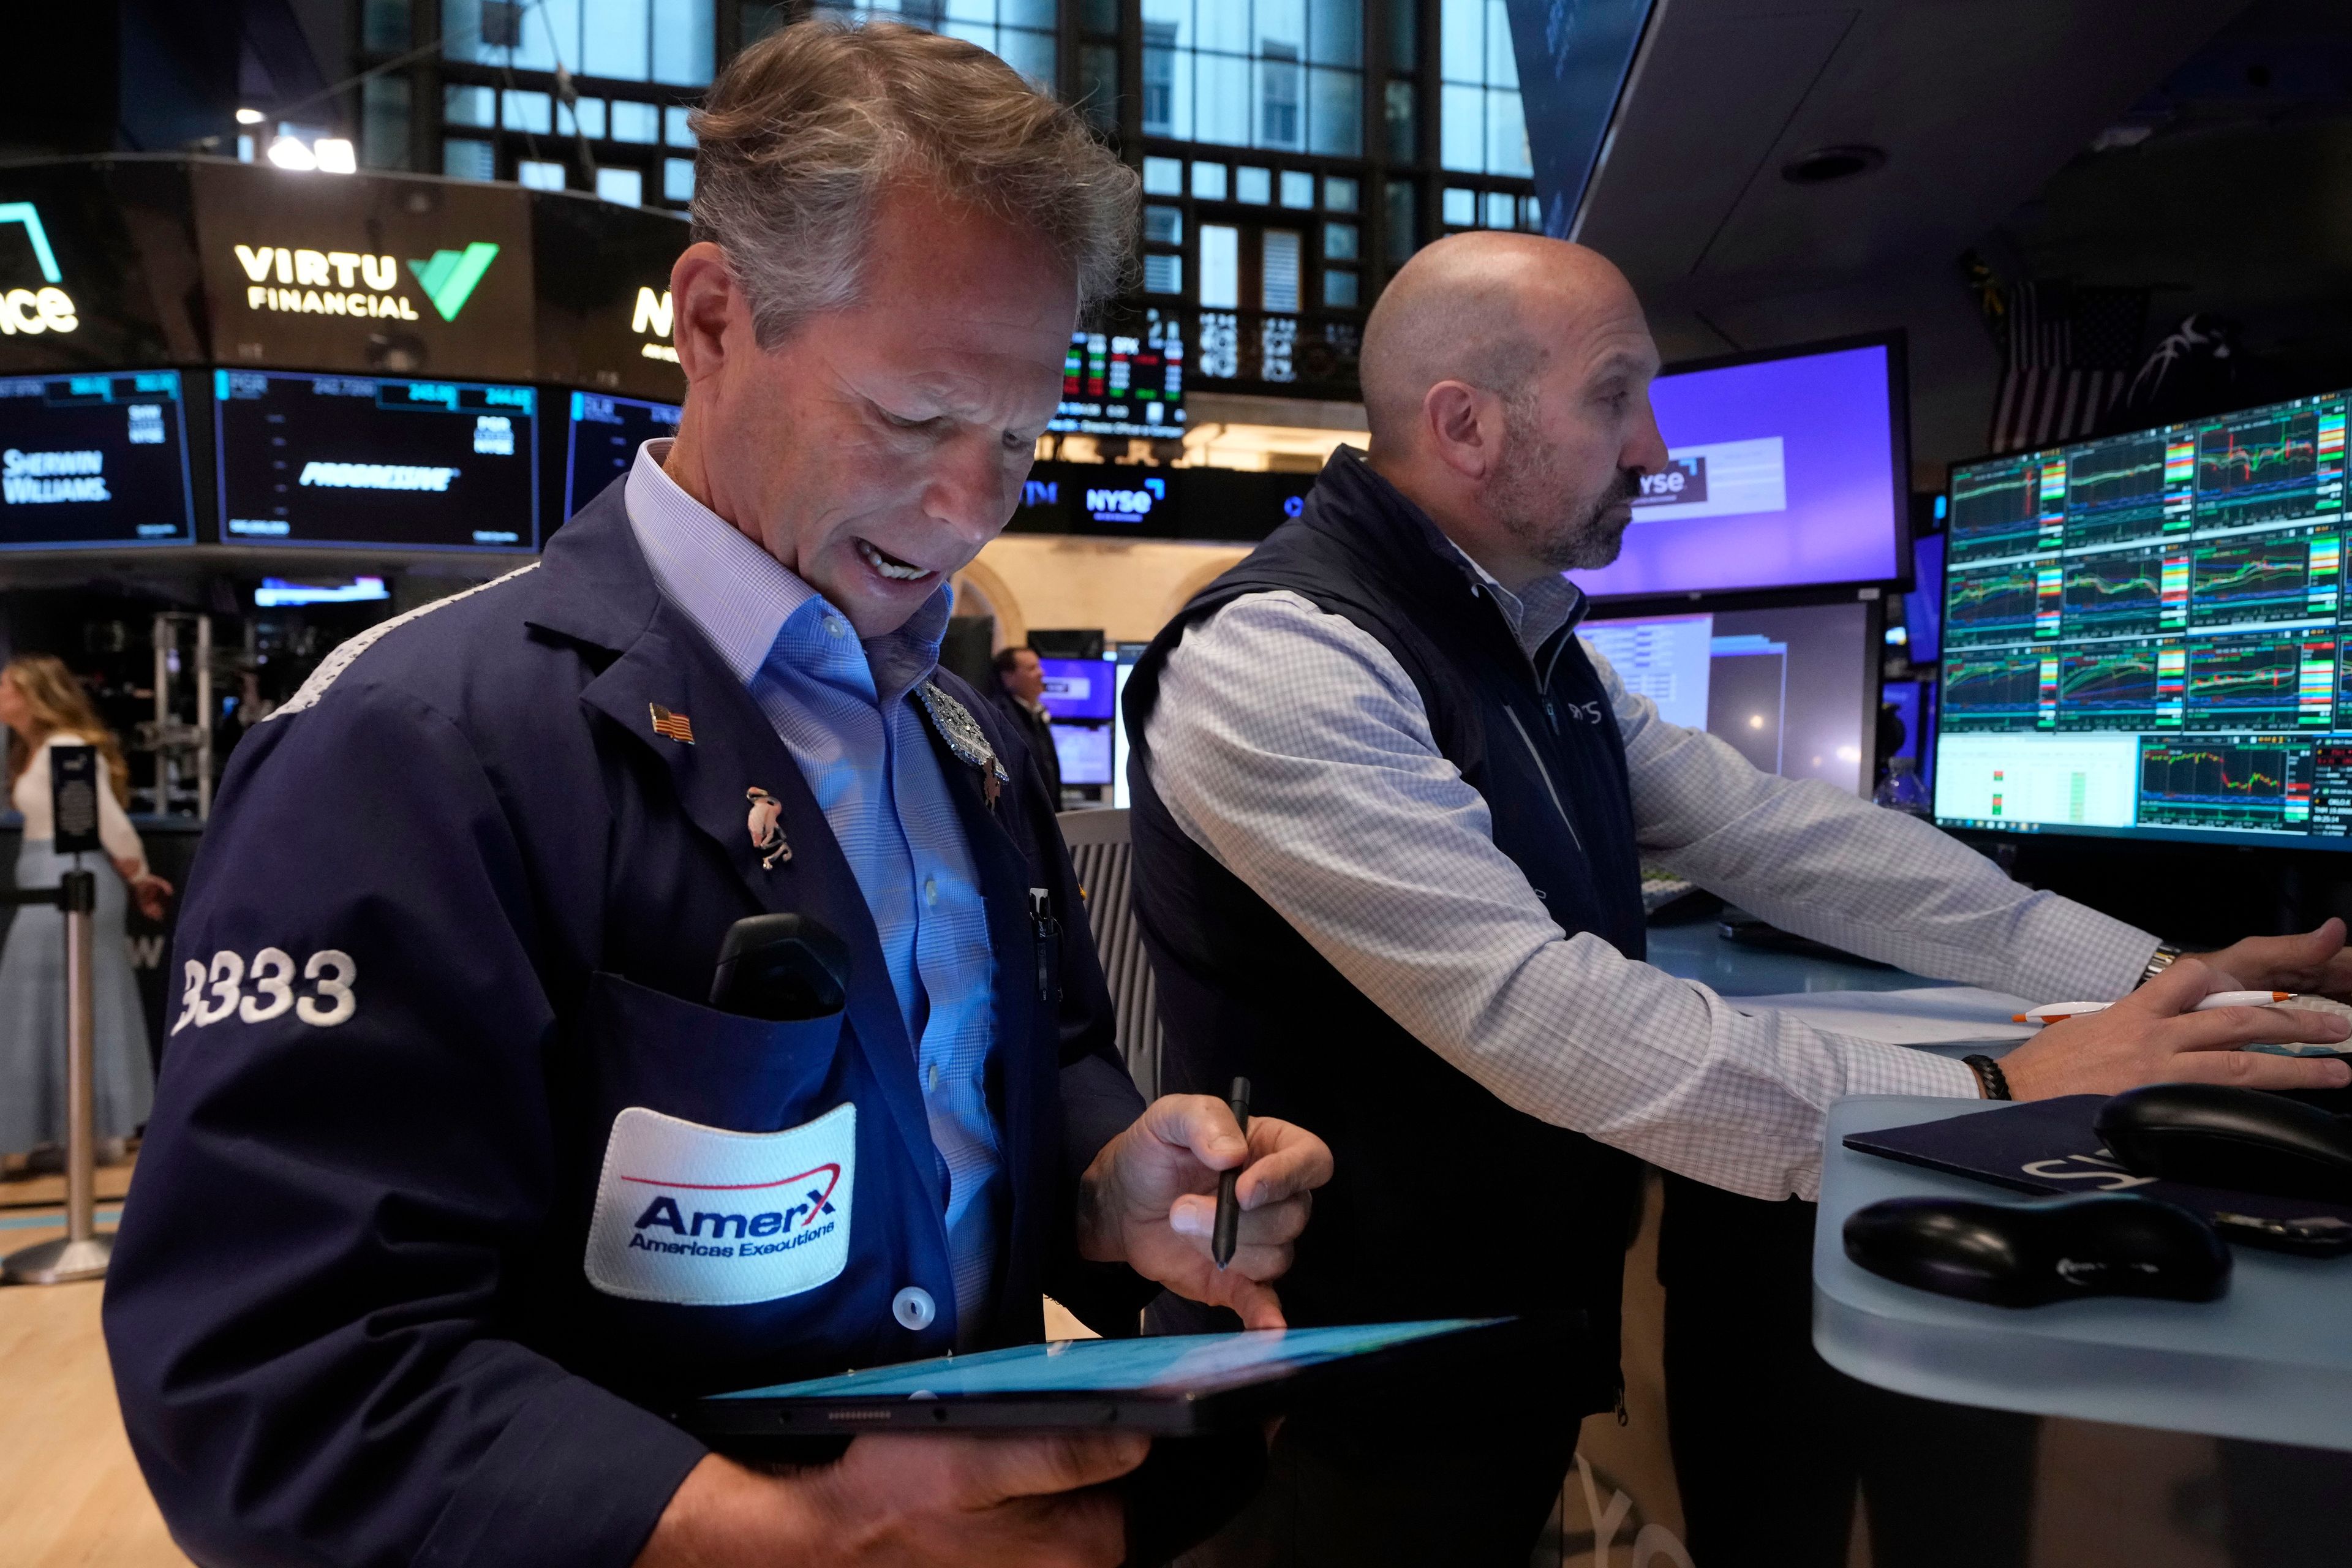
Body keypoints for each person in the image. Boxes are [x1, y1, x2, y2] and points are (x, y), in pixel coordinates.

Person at [103, 24, 1332, 1568]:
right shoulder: (416, 747)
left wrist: (1110, 1175)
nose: (968, 508)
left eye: (1016, 434)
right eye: (907, 418)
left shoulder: (967, 736)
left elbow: (1035, 1059)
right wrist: (783, 1535)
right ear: (710, 318)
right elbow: (284, 1364)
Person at [1123, 233, 2352, 1566]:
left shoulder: (1525, 643)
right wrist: (2000, 1088)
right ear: (1466, 425)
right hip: (1345, 1371)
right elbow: (1542, 1013)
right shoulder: (1286, 660)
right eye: (1616, 395)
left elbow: (1790, 840)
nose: (1653, 446)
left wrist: (2165, 977)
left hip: (1494, 1327)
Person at [0, 654, 170, 1166]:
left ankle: (95, 1130)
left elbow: (108, 822)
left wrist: (139, 877)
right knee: (43, 1005)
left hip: (71, 883)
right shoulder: (33, 752)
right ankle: (51, 1131)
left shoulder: (67, 750)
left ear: (35, 697)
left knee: (78, 1001)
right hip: (48, 880)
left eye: (8, 688)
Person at [989, 644, 1062, 801]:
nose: (1041, 673)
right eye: (1032, 669)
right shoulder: (999, 718)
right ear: (1008, 677)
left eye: (1039, 667)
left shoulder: (1036, 712)